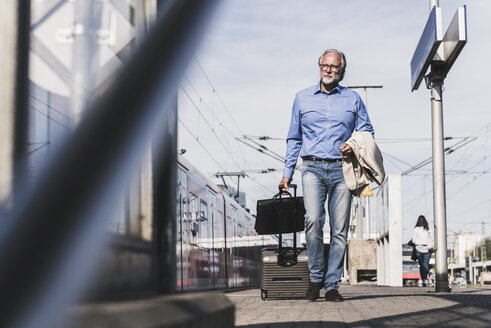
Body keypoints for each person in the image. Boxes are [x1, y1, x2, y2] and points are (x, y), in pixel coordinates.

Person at [280, 49, 374, 302]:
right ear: (319, 67)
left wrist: (353, 143)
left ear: (342, 71)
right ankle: (314, 278)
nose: (328, 70)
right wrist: (287, 173)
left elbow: (366, 130)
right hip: (311, 168)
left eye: (334, 67)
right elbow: (294, 137)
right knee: (312, 221)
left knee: (340, 229)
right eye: (325, 65)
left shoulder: (353, 99)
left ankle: (332, 285)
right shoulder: (302, 98)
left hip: (342, 170)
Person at [411, 215, 433, 287]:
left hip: (418, 248)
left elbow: (414, 240)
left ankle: (423, 280)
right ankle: (425, 279)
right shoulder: (428, 229)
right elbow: (431, 238)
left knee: (422, 265)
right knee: (426, 265)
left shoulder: (416, 229)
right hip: (427, 248)